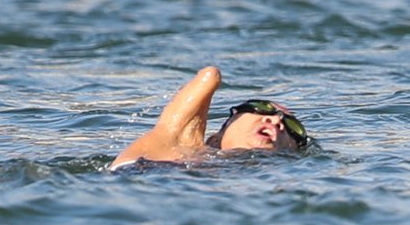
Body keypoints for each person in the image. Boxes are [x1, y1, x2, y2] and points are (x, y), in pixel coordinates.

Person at [111, 66, 311, 169]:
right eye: (260, 108)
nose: (276, 120)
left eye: (292, 126)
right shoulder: (172, 144)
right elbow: (209, 76)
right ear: (215, 139)